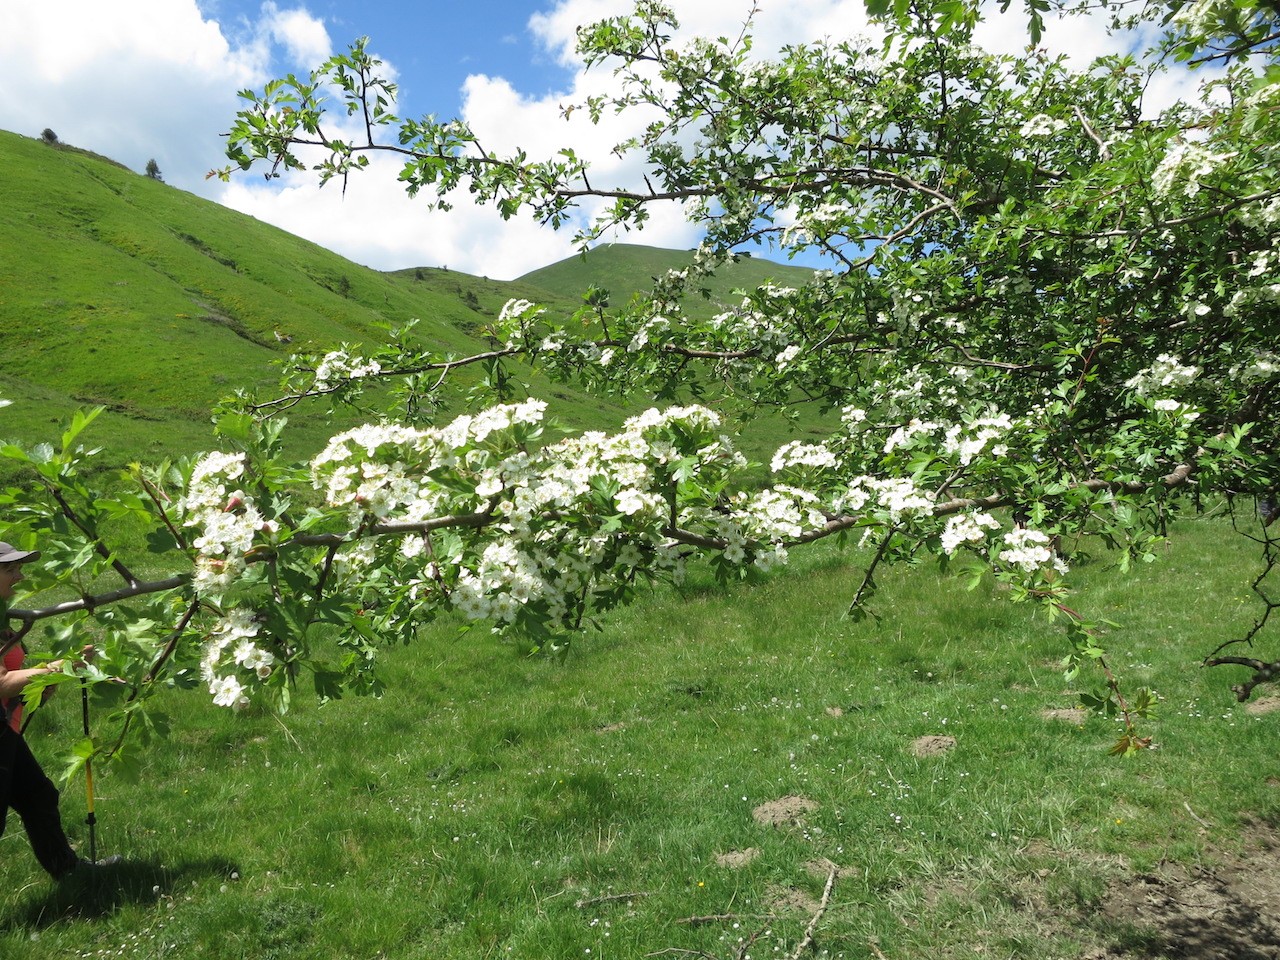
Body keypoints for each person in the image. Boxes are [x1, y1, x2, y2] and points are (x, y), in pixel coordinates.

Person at [0, 541, 119, 879]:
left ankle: (69, 873)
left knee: (38, 796)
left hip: (4, 730)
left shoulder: (4, 617)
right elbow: (3, 683)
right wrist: (61, 667)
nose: (20, 576)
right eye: (10, 569)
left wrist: (41, 686)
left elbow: (14, 686)